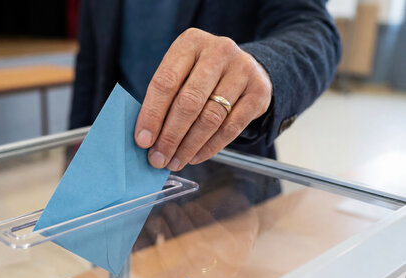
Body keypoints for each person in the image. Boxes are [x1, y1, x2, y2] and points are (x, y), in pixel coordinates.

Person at [69, 0, 341, 171]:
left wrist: (260, 66)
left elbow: (313, 28)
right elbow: (91, 62)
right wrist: (74, 151)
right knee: (111, 264)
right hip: (116, 159)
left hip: (221, 172)